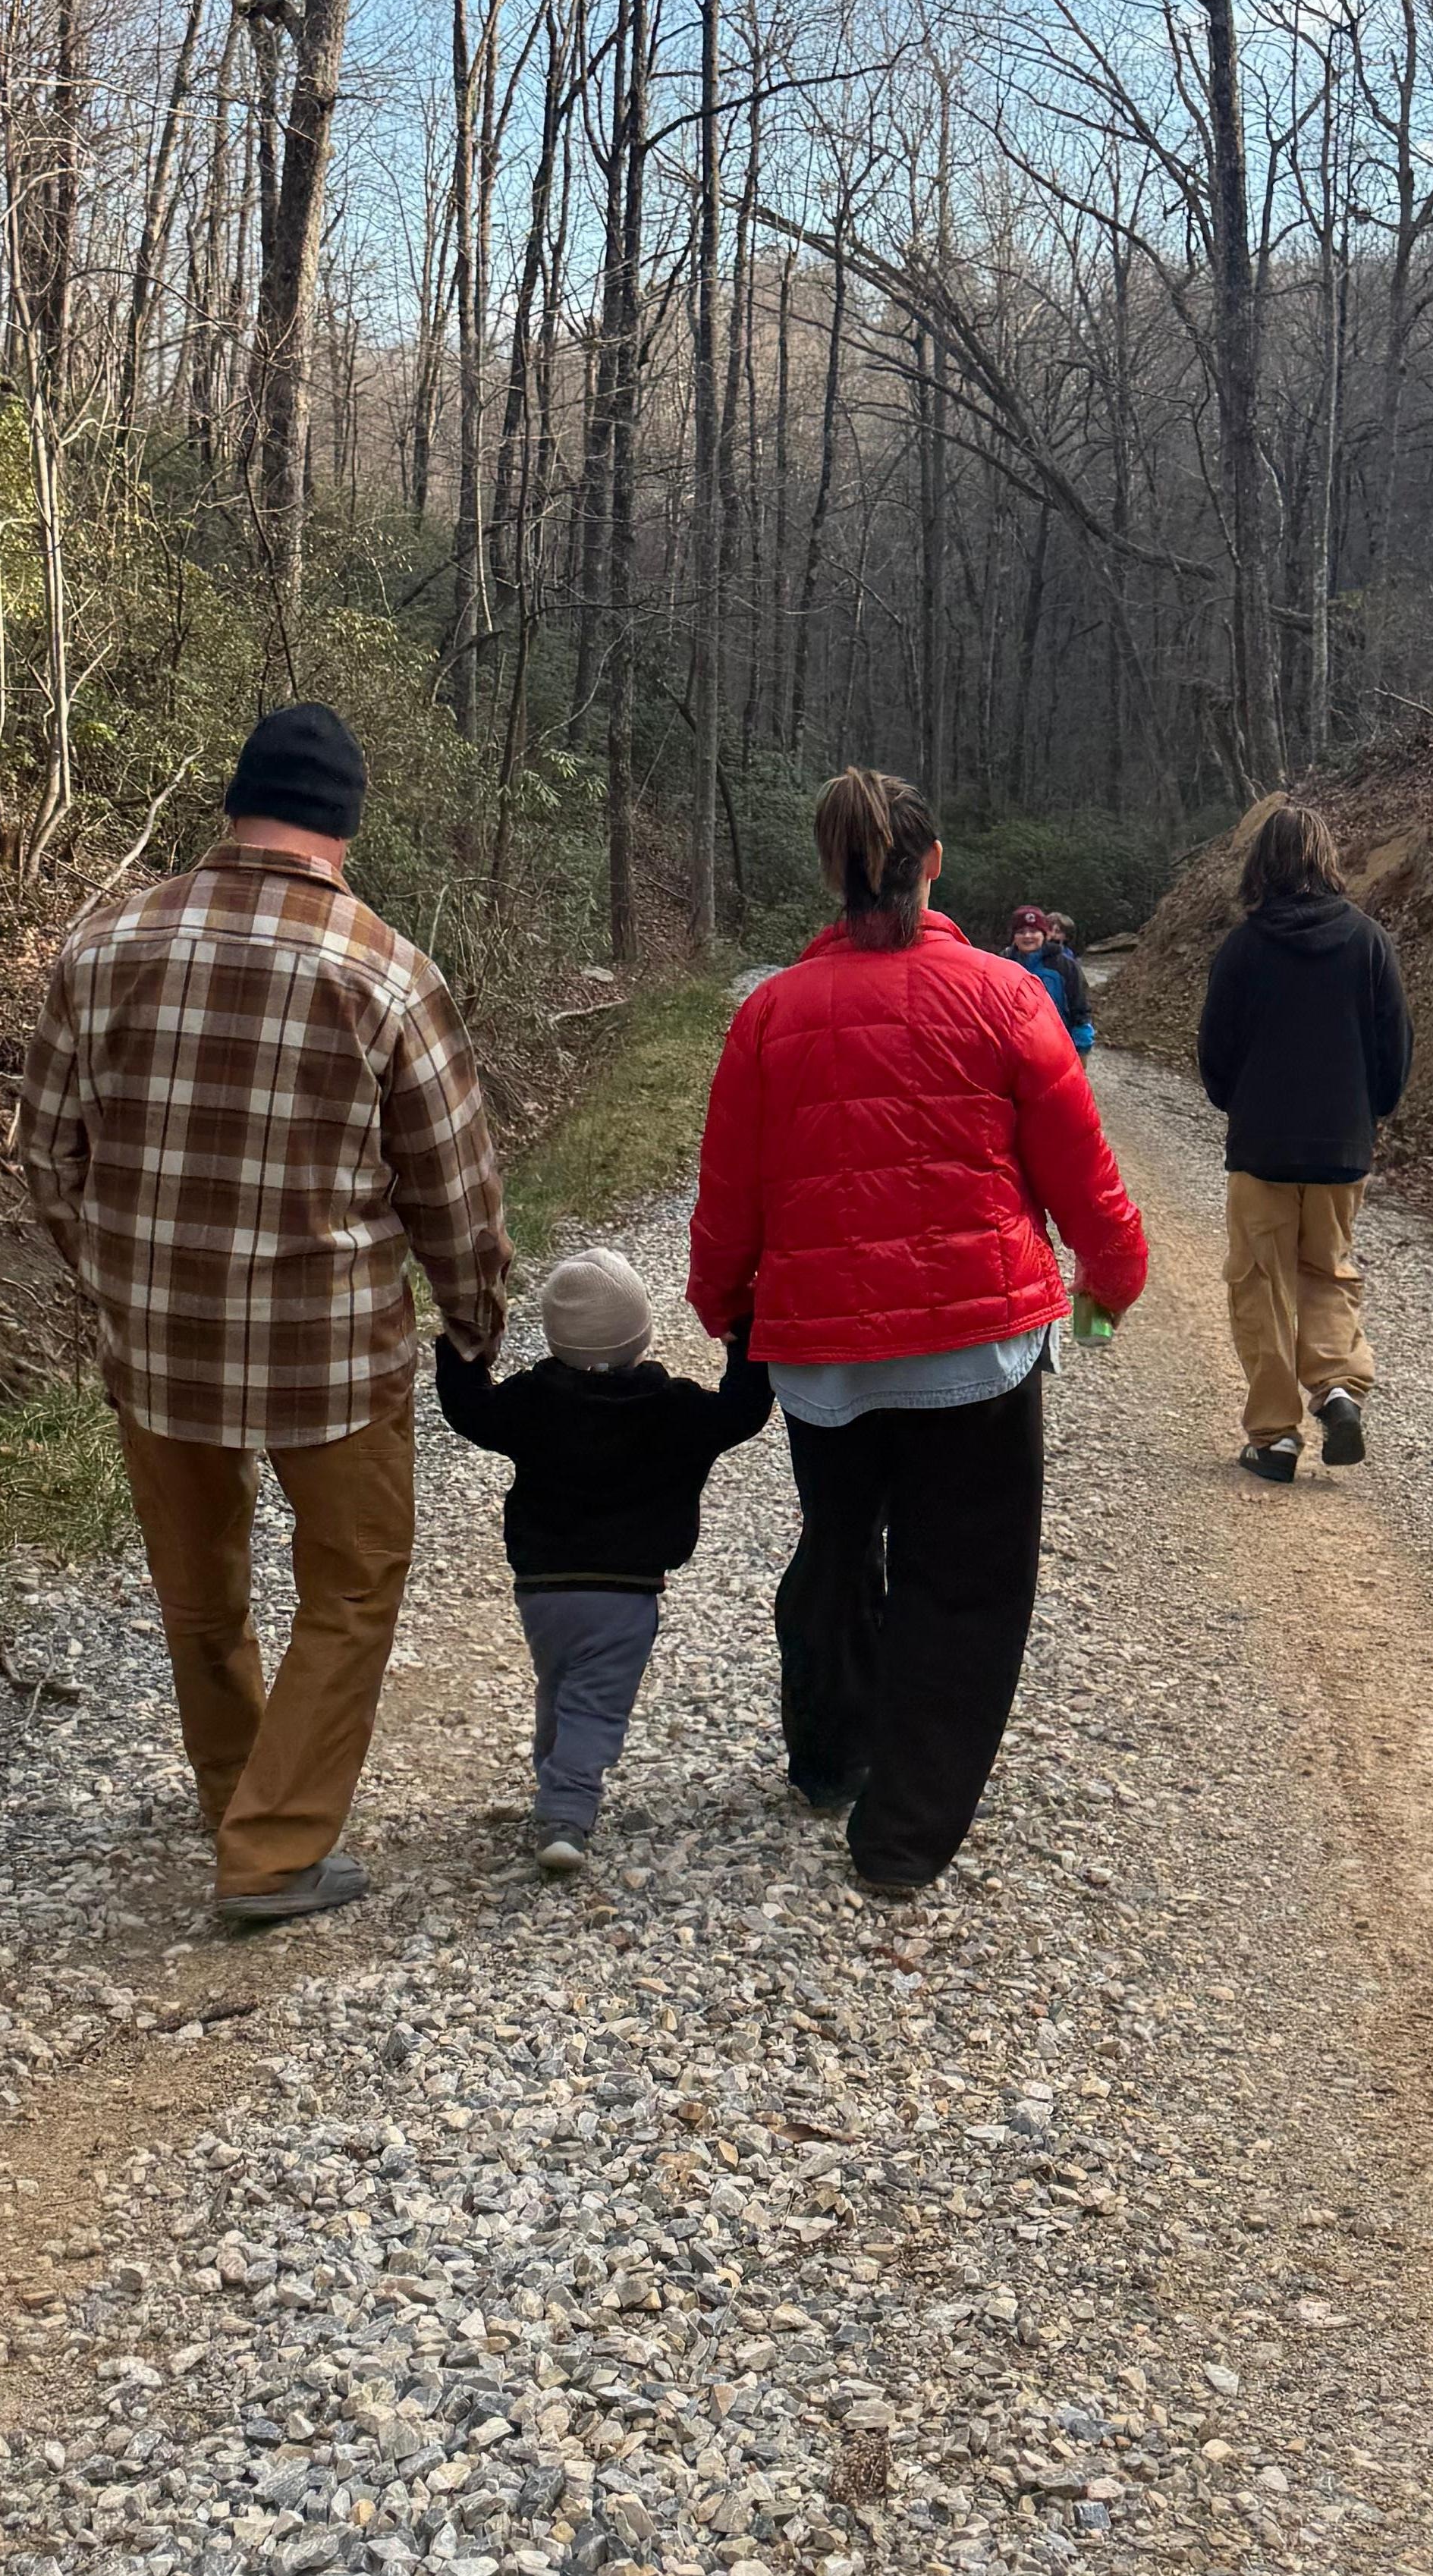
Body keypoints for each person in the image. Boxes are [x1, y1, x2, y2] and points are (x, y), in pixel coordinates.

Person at [18, 703, 511, 1929]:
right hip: (328, 1354)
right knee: (351, 1584)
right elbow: (450, 1185)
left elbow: (42, 1154)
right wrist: (472, 1319)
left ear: (233, 806)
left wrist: (115, 1274)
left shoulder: (104, 939)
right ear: (342, 828)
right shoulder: (383, 969)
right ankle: (272, 1845)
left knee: (199, 1590)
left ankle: (237, 1791)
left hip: (156, 1343)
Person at [689, 769, 1150, 1899]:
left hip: (823, 1358)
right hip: (976, 1348)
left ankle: (831, 1751)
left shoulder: (769, 1014)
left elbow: (729, 1194)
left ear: (830, 869)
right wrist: (1115, 1277)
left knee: (840, 1547)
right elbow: (1081, 1175)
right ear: (933, 861)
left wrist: (723, 1306)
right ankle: (904, 1833)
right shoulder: (1007, 997)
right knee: (968, 1582)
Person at [433, 1246, 774, 1875]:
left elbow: (467, 1411)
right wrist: (745, 1337)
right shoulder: (670, 1407)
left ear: (556, 1341)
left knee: (561, 1687)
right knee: (595, 1703)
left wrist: (463, 1354)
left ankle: (553, 1784)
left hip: (542, 1590)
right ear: (640, 1338)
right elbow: (743, 1411)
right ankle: (567, 1814)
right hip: (624, 1594)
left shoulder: (532, 1400)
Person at [1195, 794, 1413, 1486]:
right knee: (1329, 1270)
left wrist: (1239, 1104)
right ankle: (1338, 1387)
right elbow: (1394, 1048)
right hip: (1342, 1146)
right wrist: (1366, 1114)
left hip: (1261, 1145)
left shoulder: (1244, 946)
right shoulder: (1368, 941)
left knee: (1261, 1284)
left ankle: (1275, 1437)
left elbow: (1215, 1052)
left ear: (1262, 864)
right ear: (1327, 861)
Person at [1004, 903, 1096, 1054]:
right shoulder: (1003, 964)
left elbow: (1080, 1006)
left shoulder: (1066, 966)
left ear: (1044, 935)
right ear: (1014, 936)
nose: (1027, 936)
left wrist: (1082, 1043)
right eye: (1021, 932)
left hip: (1056, 1047)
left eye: (1033, 931)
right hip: (1012, 1048)